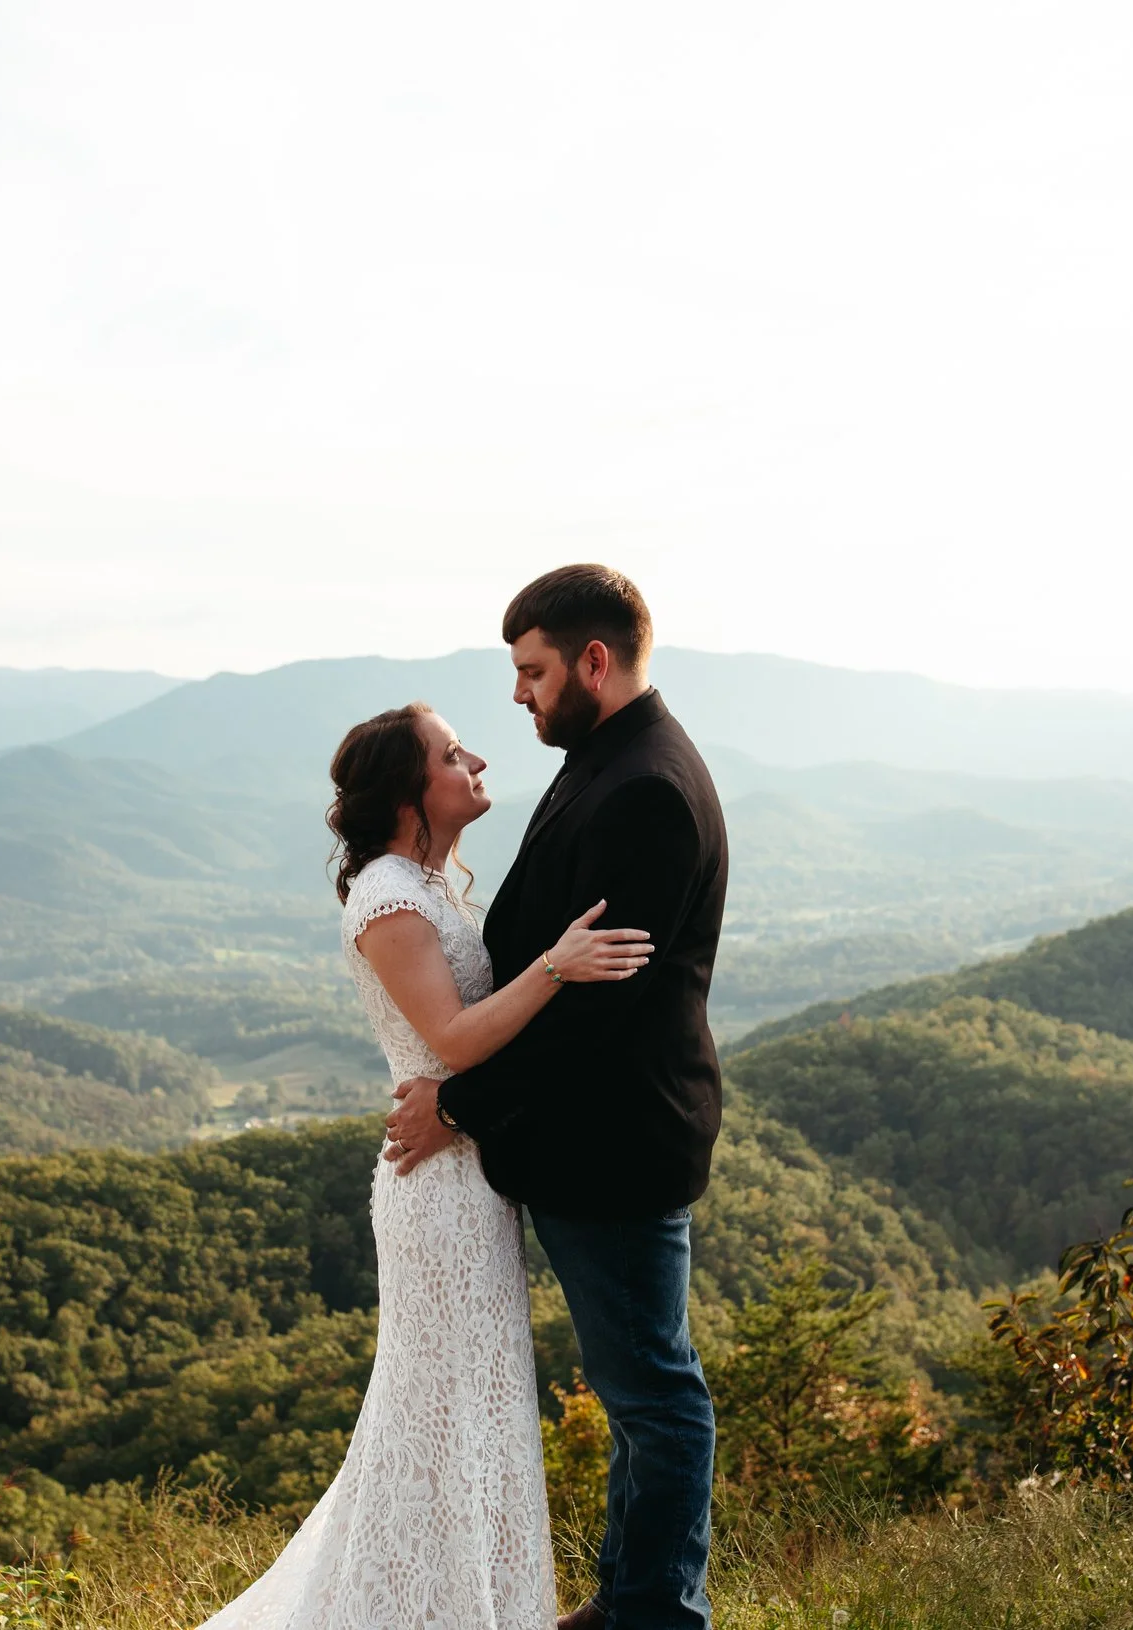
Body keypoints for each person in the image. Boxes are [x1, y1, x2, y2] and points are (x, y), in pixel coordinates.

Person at [198, 690, 654, 1630]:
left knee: (471, 1413)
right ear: (410, 792)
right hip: (436, 1195)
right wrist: (558, 965)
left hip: (466, 1175)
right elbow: (452, 1036)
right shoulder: (389, 897)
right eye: (452, 754)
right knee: (441, 1416)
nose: (475, 762)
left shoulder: (431, 885)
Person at [385, 565, 729, 1630]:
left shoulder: (645, 790)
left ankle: (658, 1613)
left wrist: (459, 1104)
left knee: (657, 1395)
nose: (519, 694)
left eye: (533, 672)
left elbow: (598, 1016)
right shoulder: (607, 760)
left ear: (593, 660)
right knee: (635, 1393)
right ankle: (629, 1597)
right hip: (587, 1137)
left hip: (615, 1141)